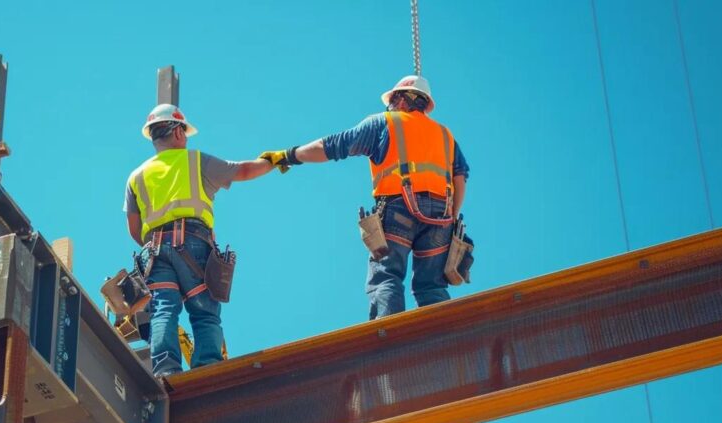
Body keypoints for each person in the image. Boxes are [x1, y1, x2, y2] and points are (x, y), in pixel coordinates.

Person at [260, 75, 470, 319]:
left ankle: (387, 336)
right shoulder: (445, 135)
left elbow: (333, 145)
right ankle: (442, 339)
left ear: (402, 99)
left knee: (387, 277)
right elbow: (460, 176)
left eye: (391, 101)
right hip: (441, 217)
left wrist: (289, 155)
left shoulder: (385, 123)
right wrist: (451, 217)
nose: (389, 106)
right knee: (432, 287)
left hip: (398, 207)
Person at [124, 103, 274, 377]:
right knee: (204, 311)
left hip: (154, 251)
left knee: (163, 311)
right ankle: (207, 370)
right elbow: (242, 171)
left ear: (154, 137)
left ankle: (166, 372)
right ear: (179, 133)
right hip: (193, 245)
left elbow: (134, 228)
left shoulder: (136, 177)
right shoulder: (195, 162)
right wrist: (274, 161)